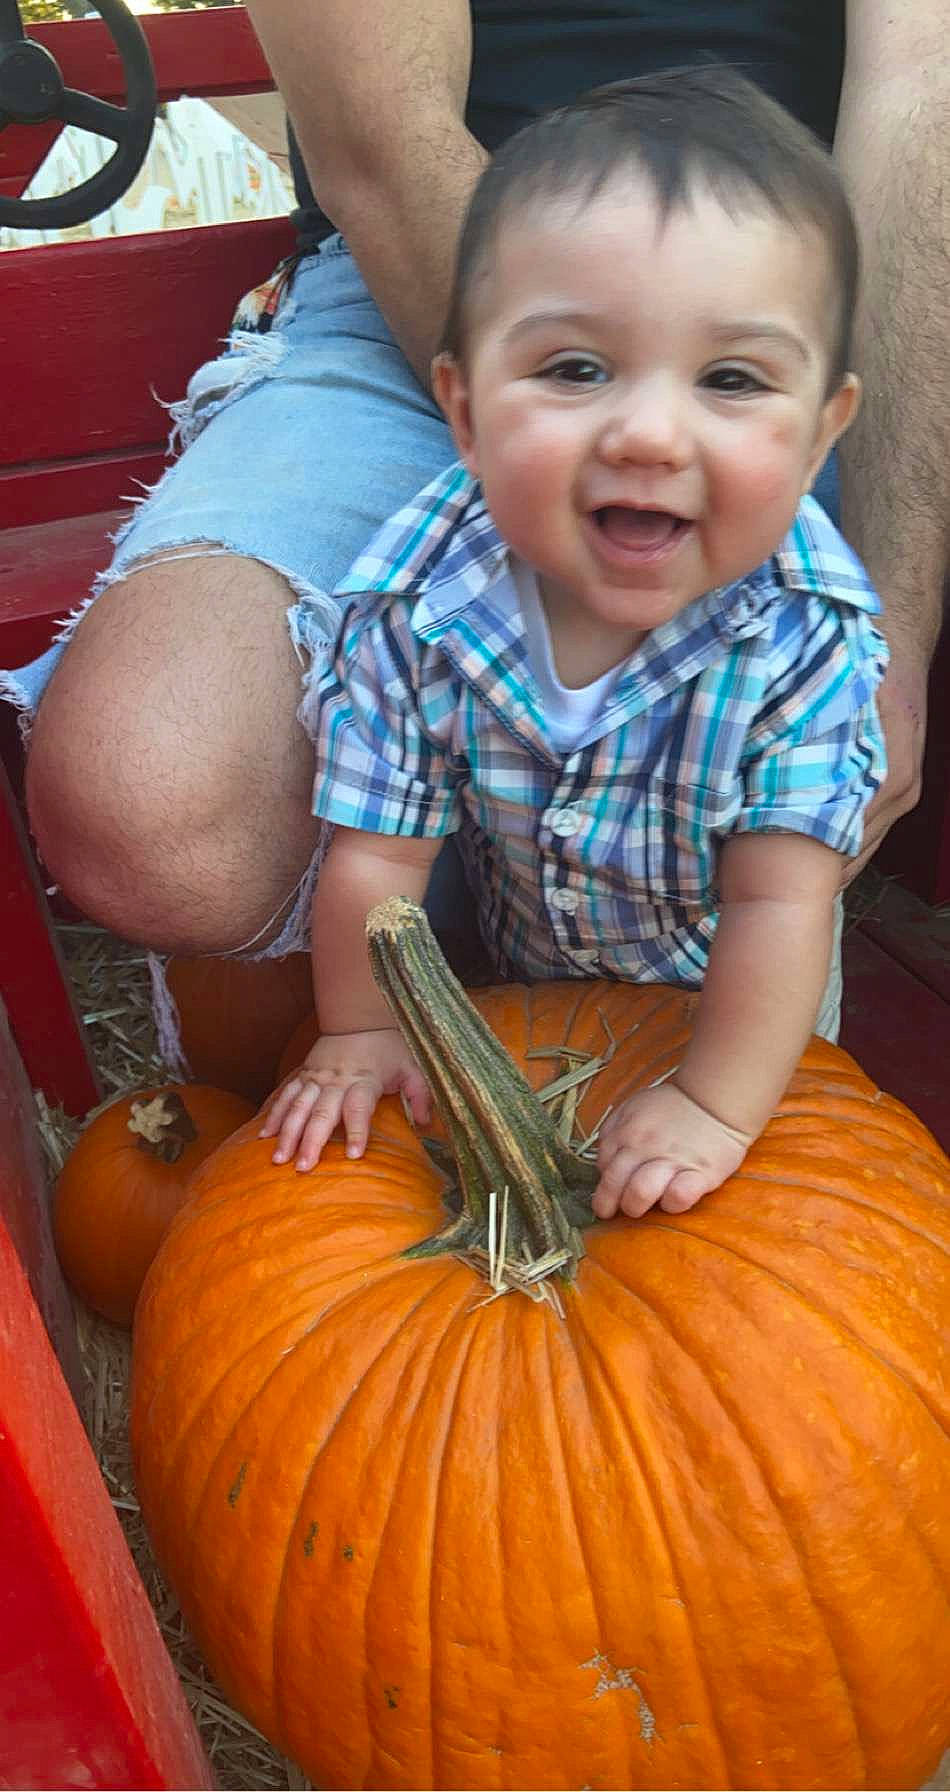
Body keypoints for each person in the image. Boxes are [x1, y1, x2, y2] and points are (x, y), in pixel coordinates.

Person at [4, 2, 945, 974]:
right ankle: (391, 1002)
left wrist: (893, 642)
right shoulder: (441, 533)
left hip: (778, 296)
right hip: (426, 266)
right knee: (156, 781)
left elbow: (920, 93)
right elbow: (387, 146)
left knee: (726, 771)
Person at [258, 69, 886, 1220]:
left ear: (816, 437)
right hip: (522, 978)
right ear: (463, 409)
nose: (646, 431)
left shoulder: (805, 636)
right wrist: (359, 1030)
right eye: (574, 369)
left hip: (737, 1001)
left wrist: (714, 1103)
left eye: (730, 379)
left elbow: (778, 906)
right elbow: (379, 862)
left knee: (735, 1230)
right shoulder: (415, 600)